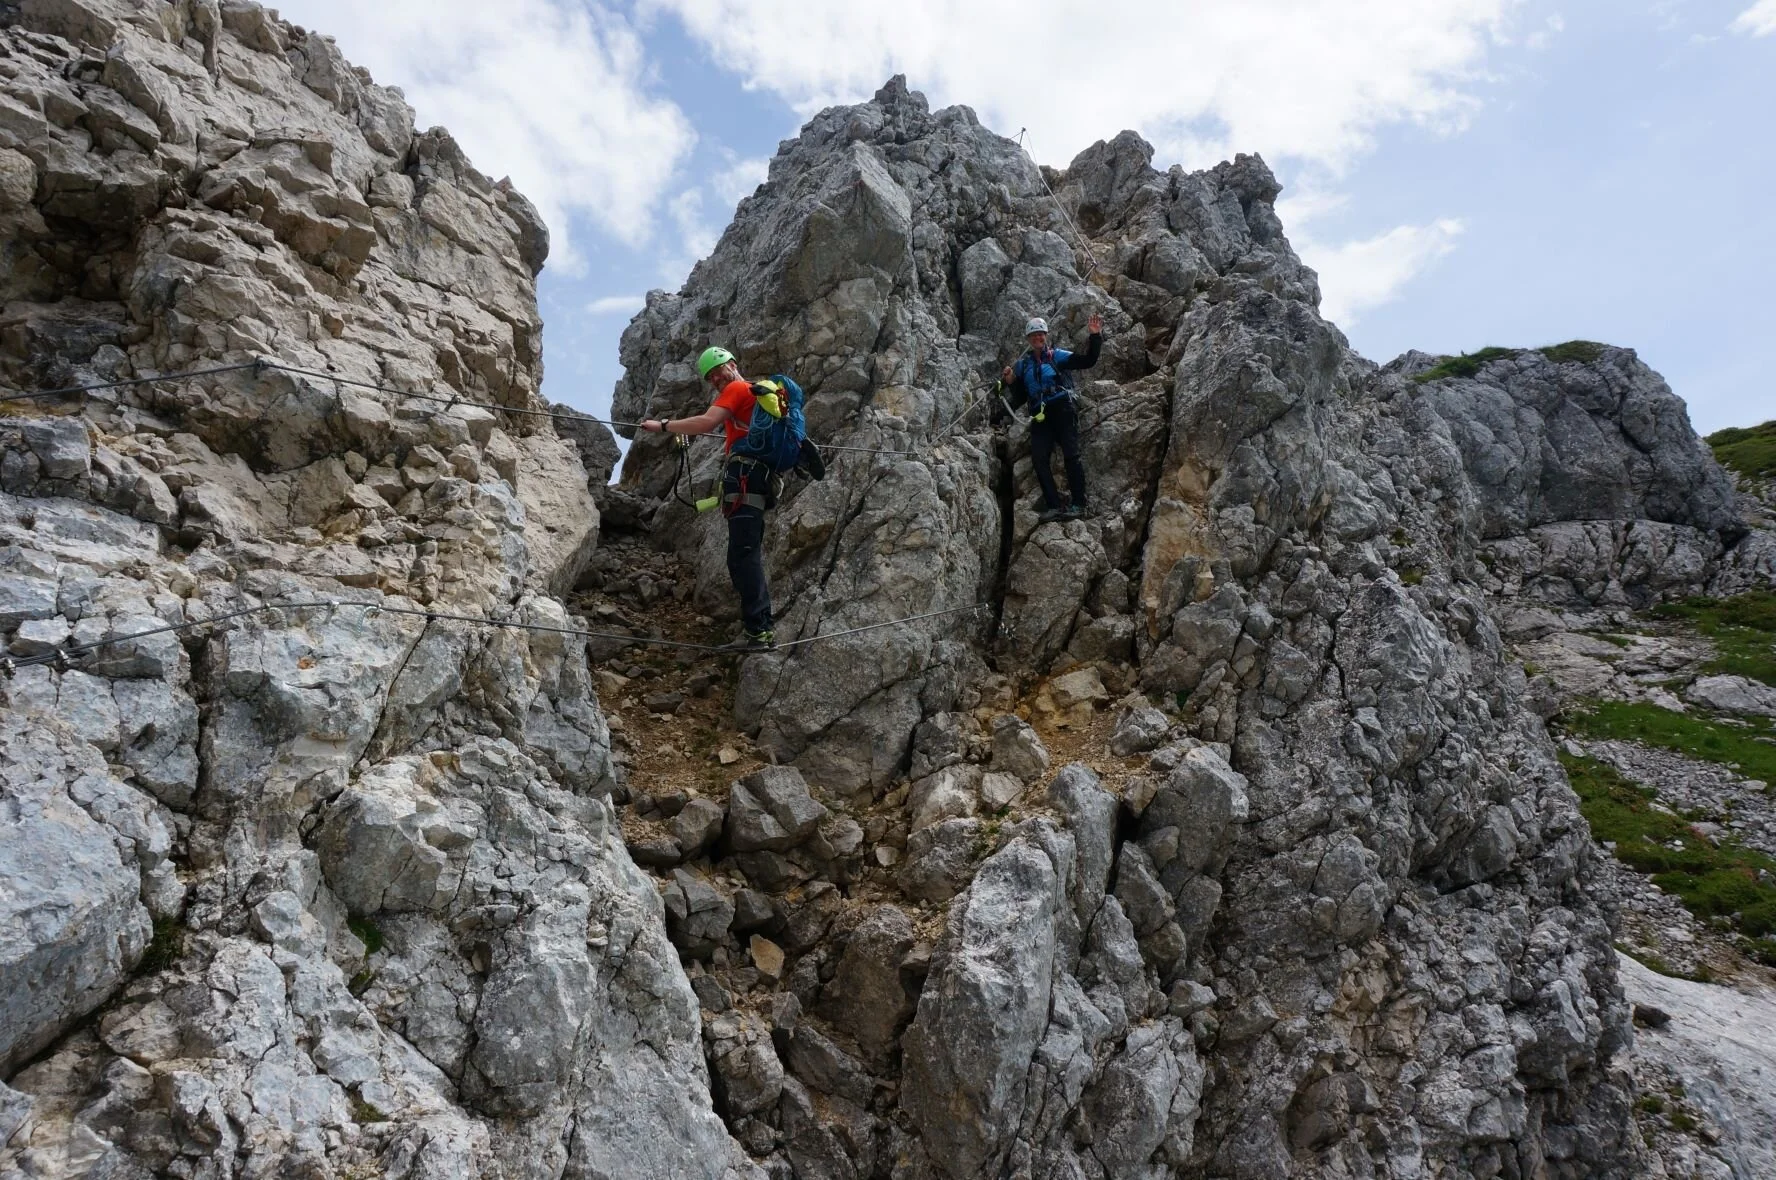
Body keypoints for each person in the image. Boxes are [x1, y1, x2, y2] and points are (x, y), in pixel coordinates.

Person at [639, 347, 780, 649]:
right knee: (746, 555)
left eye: (718, 370)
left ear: (733, 364)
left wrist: (662, 426)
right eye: (710, 376)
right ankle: (761, 630)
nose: (715, 379)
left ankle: (758, 632)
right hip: (760, 480)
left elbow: (705, 423)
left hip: (744, 478)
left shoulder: (737, 388)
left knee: (742, 558)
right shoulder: (756, 395)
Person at [1002, 312, 1102, 523]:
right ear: (1029, 339)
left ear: (1046, 336)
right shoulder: (1024, 366)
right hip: (1040, 414)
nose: (1038, 338)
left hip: (1062, 407)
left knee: (1071, 455)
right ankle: (1054, 506)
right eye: (1034, 335)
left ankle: (1078, 505)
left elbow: (1088, 361)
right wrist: (1010, 381)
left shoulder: (1057, 356)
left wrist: (1095, 336)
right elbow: (1021, 396)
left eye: (1041, 334)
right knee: (1039, 459)